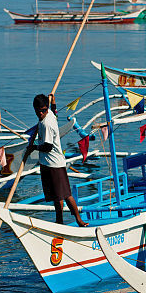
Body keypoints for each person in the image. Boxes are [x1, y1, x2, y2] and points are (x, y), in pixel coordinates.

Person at [26, 94, 88, 227]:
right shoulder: (49, 115)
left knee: (65, 194)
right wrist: (53, 103)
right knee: (56, 196)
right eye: (39, 111)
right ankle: (59, 221)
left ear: (45, 109)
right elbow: (54, 112)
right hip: (46, 164)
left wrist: (33, 147)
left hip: (54, 164)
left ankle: (79, 220)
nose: (42, 113)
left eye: (44, 110)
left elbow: (47, 147)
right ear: (35, 109)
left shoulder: (46, 123)